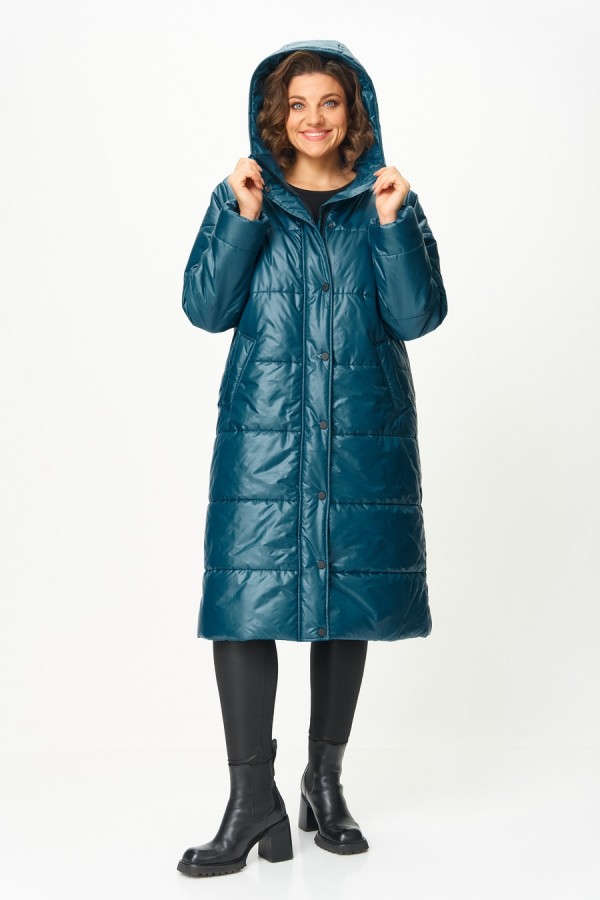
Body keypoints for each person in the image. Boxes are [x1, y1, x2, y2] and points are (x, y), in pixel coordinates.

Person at [177, 39, 448, 877]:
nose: (314, 118)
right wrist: (240, 214)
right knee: (244, 601)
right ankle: (249, 798)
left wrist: (395, 224)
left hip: (360, 425)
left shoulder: (386, 198)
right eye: (297, 104)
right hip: (265, 433)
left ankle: (322, 784)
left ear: (353, 110)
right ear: (276, 114)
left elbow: (417, 316)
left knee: (346, 599)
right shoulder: (246, 194)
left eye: (329, 102)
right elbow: (205, 307)